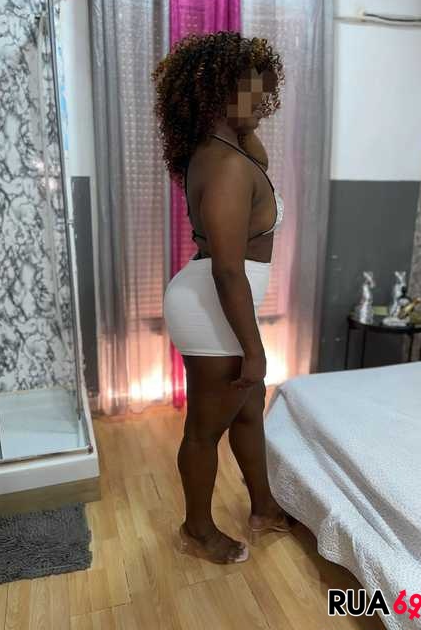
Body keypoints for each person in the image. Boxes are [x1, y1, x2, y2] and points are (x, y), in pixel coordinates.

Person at [152, 31, 294, 565]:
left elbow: (261, 162)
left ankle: (263, 508)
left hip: (217, 300)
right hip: (214, 304)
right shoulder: (227, 164)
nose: (263, 101)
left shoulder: (227, 151)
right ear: (216, 93)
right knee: (205, 428)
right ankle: (196, 529)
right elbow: (229, 269)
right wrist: (254, 349)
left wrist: (243, 121)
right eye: (251, 89)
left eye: (263, 90)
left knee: (249, 412)